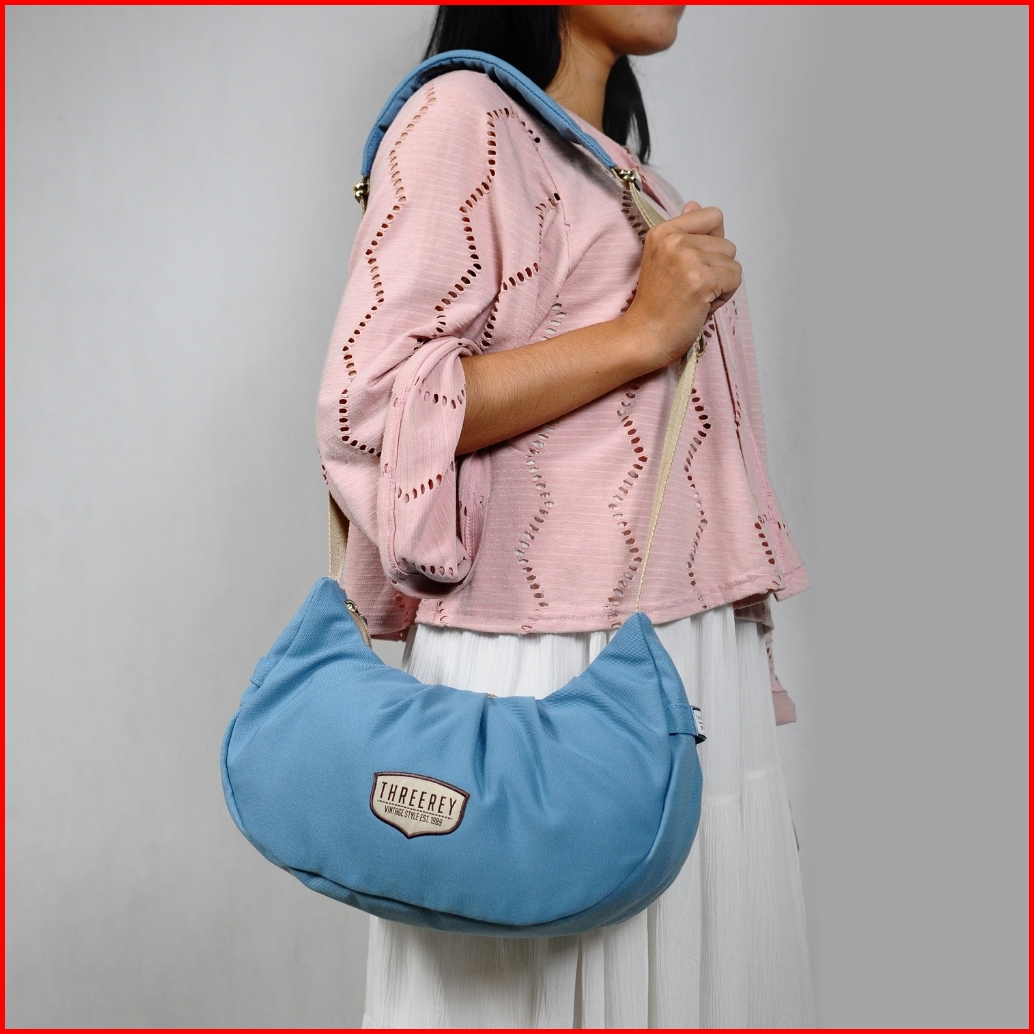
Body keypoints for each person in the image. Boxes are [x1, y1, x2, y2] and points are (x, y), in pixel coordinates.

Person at [317, 5, 813, 1027]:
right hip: (540, 668)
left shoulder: (619, 171)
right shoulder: (463, 113)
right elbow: (375, 403)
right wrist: (640, 334)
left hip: (678, 661)